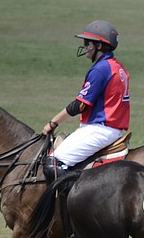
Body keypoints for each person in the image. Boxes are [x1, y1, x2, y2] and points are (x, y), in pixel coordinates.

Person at [42, 20, 130, 179]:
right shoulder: (117, 66)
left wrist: (53, 122)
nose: (85, 47)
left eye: (87, 43)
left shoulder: (101, 69)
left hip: (100, 129)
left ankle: (66, 204)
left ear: (99, 46)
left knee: (53, 163)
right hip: (112, 129)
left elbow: (80, 105)